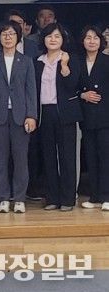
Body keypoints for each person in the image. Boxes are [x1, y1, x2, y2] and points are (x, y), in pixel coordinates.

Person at [0, 21, 38, 214]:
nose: (8, 37)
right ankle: (3, 198)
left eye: (12, 34)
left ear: (18, 37)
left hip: (20, 115)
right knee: (0, 158)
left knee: (20, 159)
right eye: (4, 34)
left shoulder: (26, 61)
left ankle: (20, 198)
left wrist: (31, 115)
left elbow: (31, 90)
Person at [34, 23, 82, 211]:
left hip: (65, 113)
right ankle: (52, 198)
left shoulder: (70, 59)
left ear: (63, 40)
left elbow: (72, 85)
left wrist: (64, 66)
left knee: (67, 156)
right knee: (48, 156)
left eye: (57, 36)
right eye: (49, 36)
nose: (53, 39)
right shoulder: (38, 61)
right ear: (43, 39)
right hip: (44, 112)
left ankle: (68, 199)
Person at [77, 26, 109, 211]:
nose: (91, 41)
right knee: (90, 156)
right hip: (86, 116)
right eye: (88, 37)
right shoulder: (77, 61)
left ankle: (106, 195)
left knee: (105, 156)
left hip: (105, 116)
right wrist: (83, 95)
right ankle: (95, 195)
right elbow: (72, 86)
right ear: (83, 41)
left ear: (101, 41)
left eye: (95, 38)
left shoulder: (106, 61)